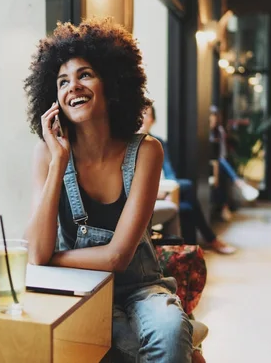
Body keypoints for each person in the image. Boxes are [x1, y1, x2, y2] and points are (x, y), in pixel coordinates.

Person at [24, 19, 197, 362]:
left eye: (85, 75)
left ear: (113, 84)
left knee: (170, 332)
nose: (73, 86)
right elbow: (36, 249)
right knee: (116, 349)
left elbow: (117, 257)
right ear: (53, 99)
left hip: (141, 289)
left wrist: (52, 261)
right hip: (76, 291)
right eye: (62, 81)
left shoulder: (147, 151)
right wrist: (58, 161)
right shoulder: (47, 153)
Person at [141, 105, 236, 254]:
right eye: (140, 113)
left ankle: (190, 251)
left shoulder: (157, 142)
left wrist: (168, 190)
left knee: (187, 205)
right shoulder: (127, 143)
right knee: (188, 194)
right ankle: (205, 243)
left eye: (146, 114)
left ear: (152, 120)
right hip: (147, 193)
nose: (142, 117)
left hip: (164, 188)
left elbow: (169, 171)